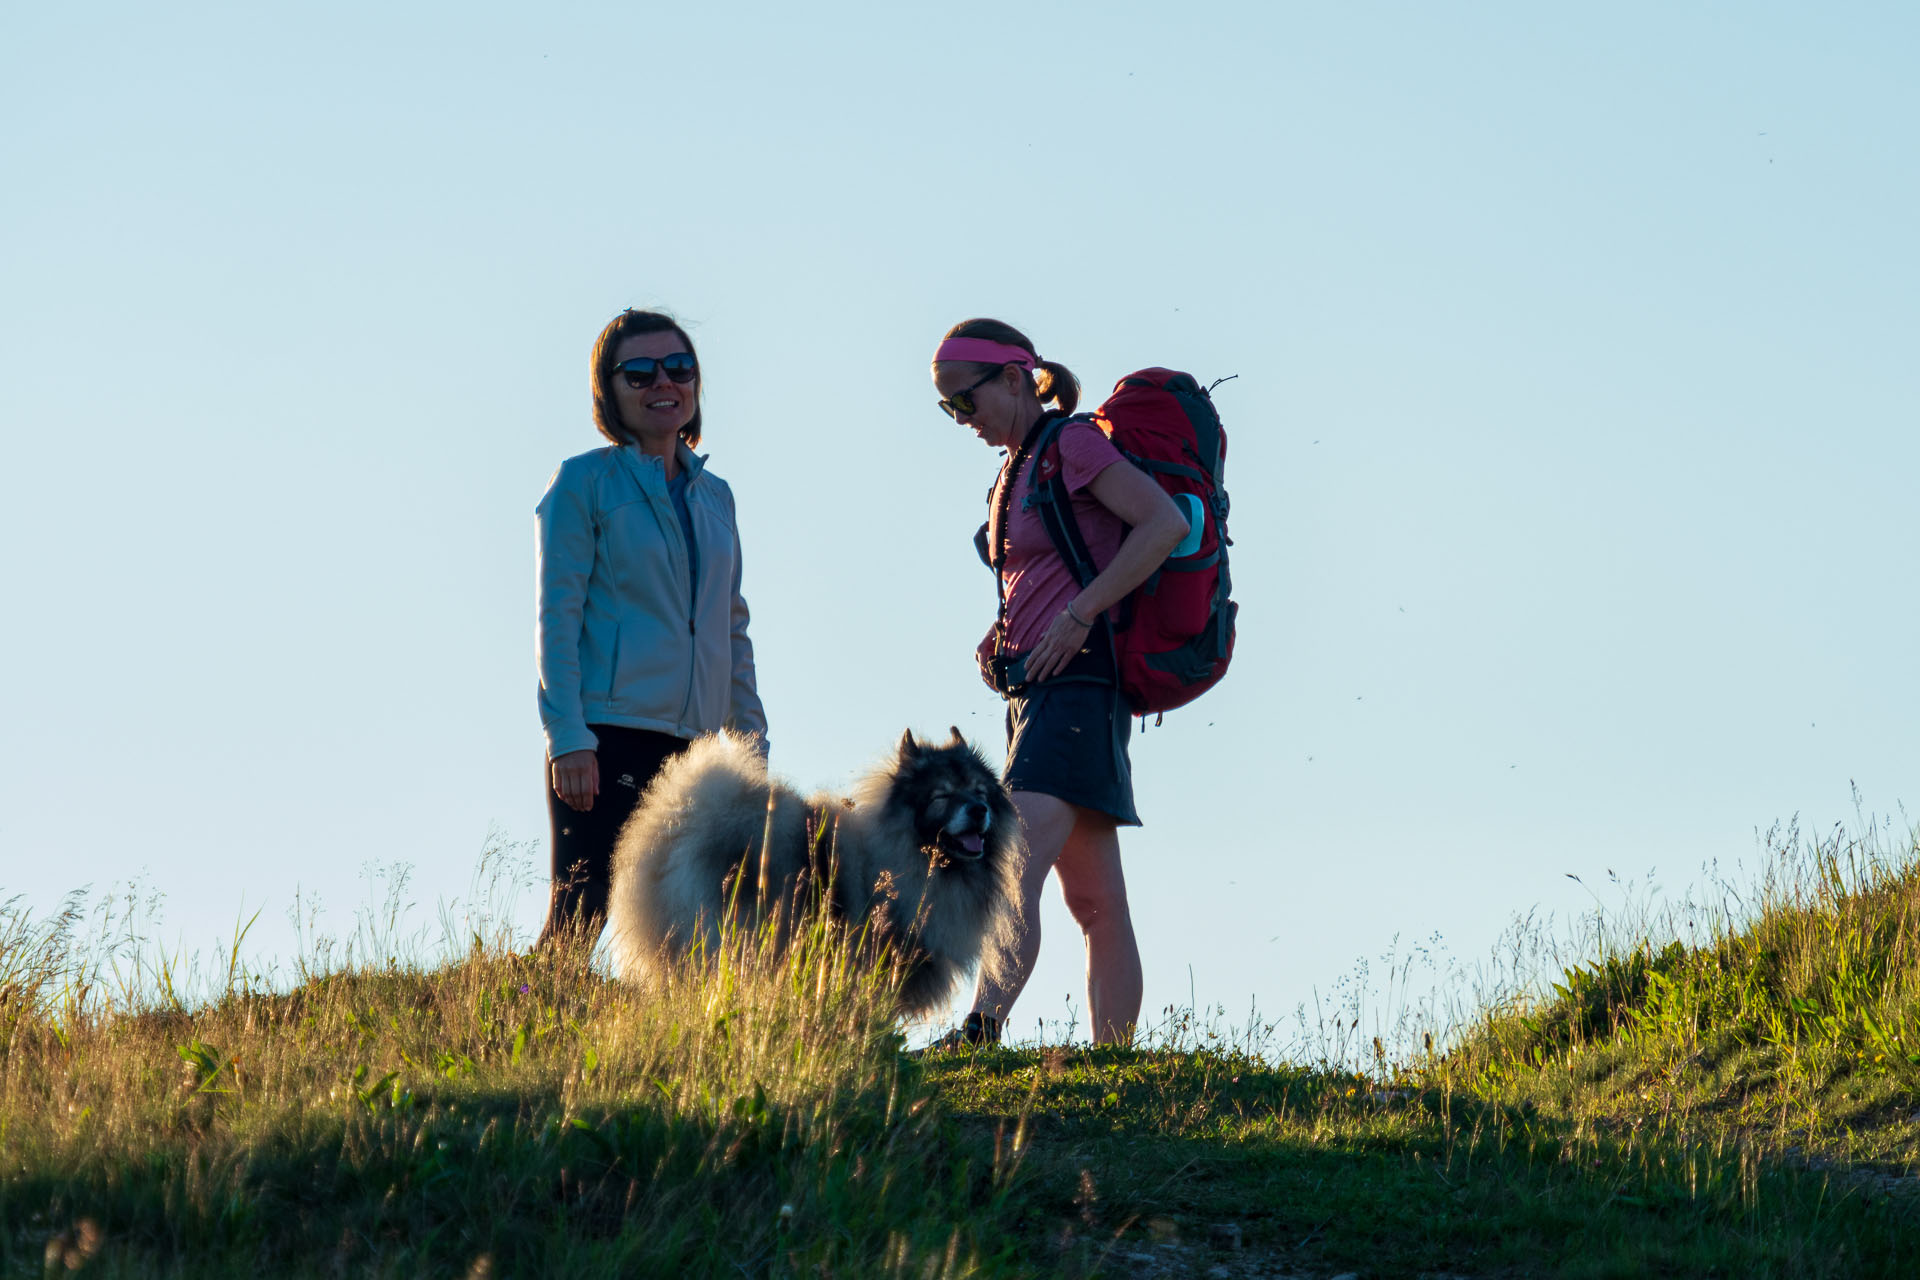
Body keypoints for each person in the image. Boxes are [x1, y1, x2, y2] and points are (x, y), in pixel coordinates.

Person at [930, 318, 1190, 1046]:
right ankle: (1116, 1061)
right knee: (1096, 900)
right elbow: (1034, 574)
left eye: (965, 401)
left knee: (1011, 856)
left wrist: (1077, 617)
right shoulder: (1015, 468)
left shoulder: (1071, 445)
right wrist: (1003, 637)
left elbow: (1162, 524)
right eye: (948, 409)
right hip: (1036, 693)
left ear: (1014, 378)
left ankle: (979, 1030)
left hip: (1079, 687)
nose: (962, 420)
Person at [534, 308, 768, 947]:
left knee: (693, 929)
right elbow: (558, 617)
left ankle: (669, 1046)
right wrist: (568, 736)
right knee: (579, 917)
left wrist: (750, 744)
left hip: (702, 750)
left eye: (679, 367)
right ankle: (509, 1029)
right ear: (608, 391)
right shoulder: (583, 482)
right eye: (638, 372)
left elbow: (731, 627)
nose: (663, 382)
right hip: (607, 736)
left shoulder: (715, 495)